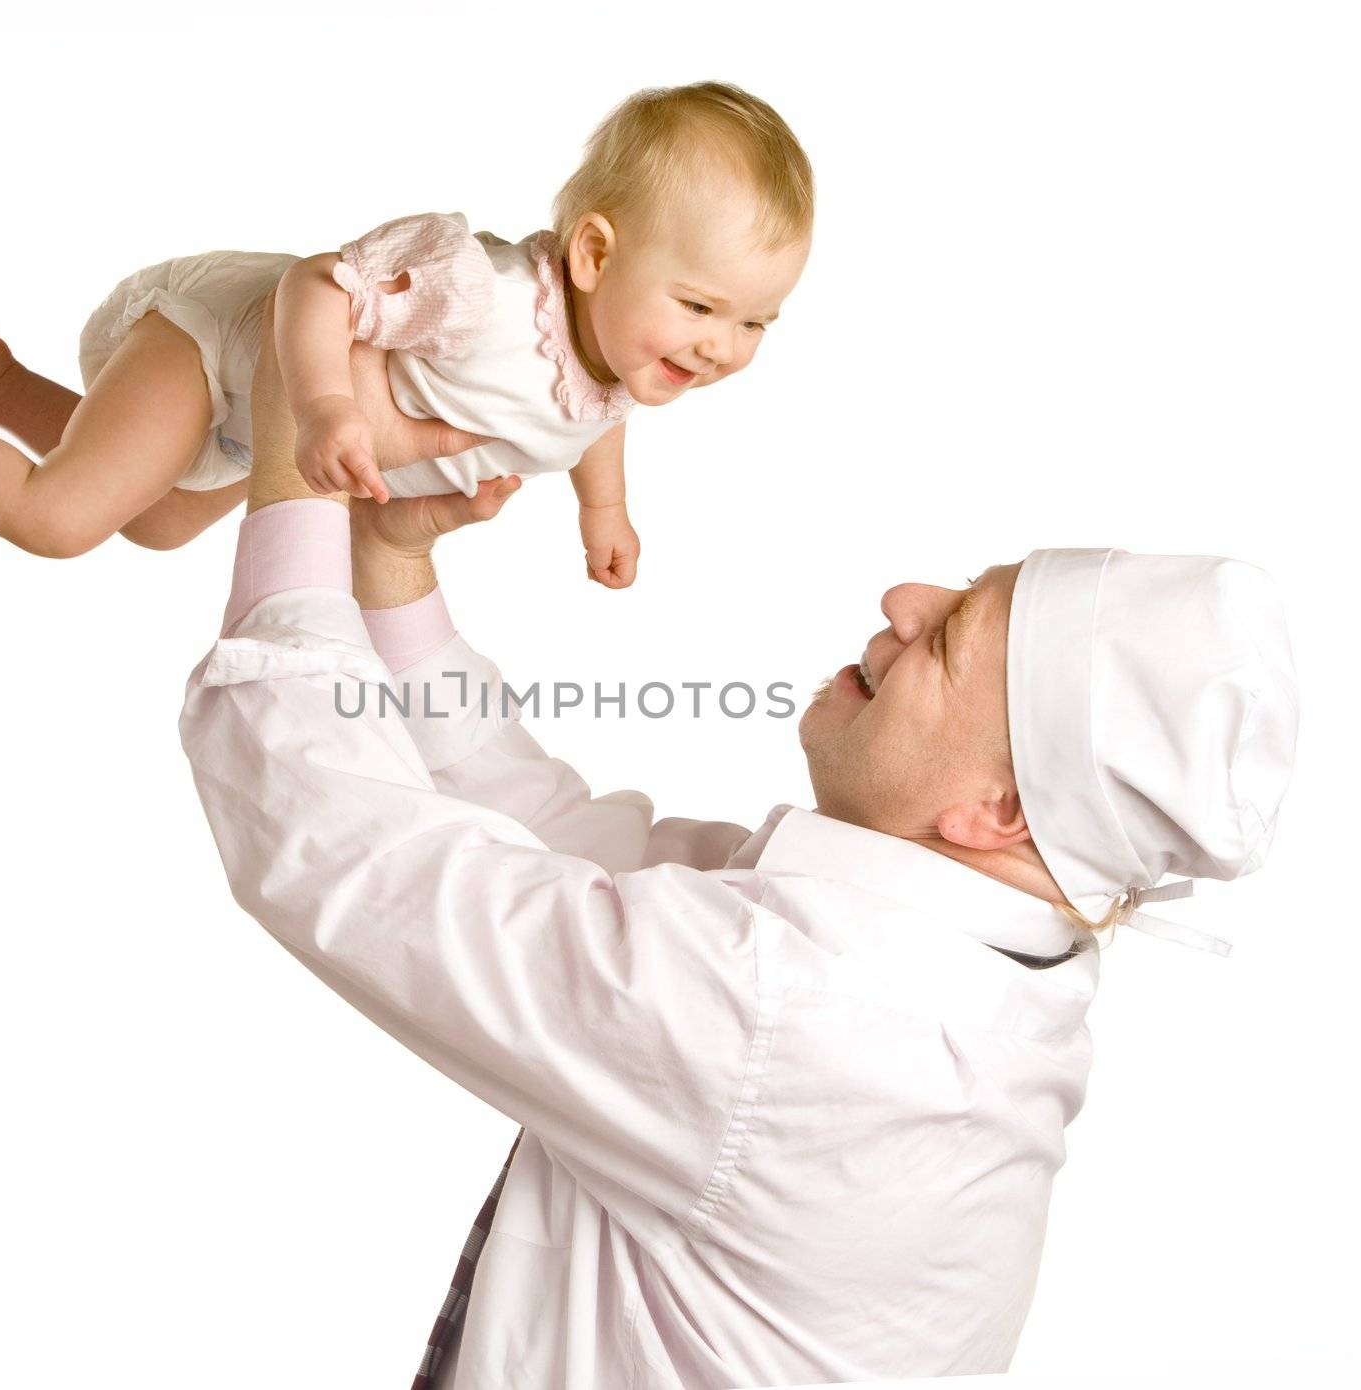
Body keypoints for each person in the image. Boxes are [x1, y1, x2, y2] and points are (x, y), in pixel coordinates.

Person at [177, 304, 1299, 1387]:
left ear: (999, 812)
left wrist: (295, 453)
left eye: (953, 631)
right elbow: (570, 853)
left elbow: (345, 856)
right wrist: (389, 562)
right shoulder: (942, 964)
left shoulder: (800, 1014)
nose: (906, 595)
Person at [0, 80, 812, 590]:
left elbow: (596, 415)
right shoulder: (477, 289)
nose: (725, 346)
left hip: (261, 430)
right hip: (220, 345)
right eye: (702, 306)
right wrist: (325, 403)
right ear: (594, 254)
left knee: (152, 523)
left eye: (757, 320)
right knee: (63, 517)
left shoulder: (617, 361)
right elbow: (313, 286)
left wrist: (606, 509)